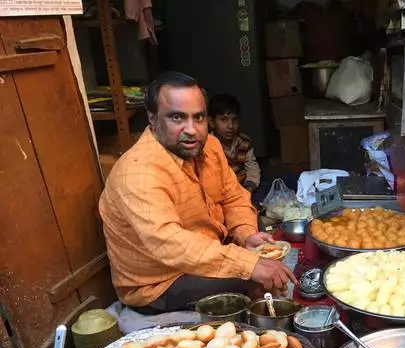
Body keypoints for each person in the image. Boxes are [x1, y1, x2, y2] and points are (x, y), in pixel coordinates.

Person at [99, 71, 296, 315]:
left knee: (259, 241)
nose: (192, 130)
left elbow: (233, 196)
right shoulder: (138, 174)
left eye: (199, 118)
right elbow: (171, 245)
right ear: (152, 119)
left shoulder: (209, 146)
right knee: (254, 280)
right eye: (177, 118)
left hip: (208, 248)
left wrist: (246, 236)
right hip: (162, 282)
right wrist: (248, 264)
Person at [208, 94, 261, 195]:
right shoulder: (207, 145)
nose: (231, 126)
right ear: (211, 122)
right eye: (224, 120)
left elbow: (252, 168)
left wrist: (249, 188)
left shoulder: (244, 142)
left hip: (242, 187)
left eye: (234, 120)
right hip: (220, 192)